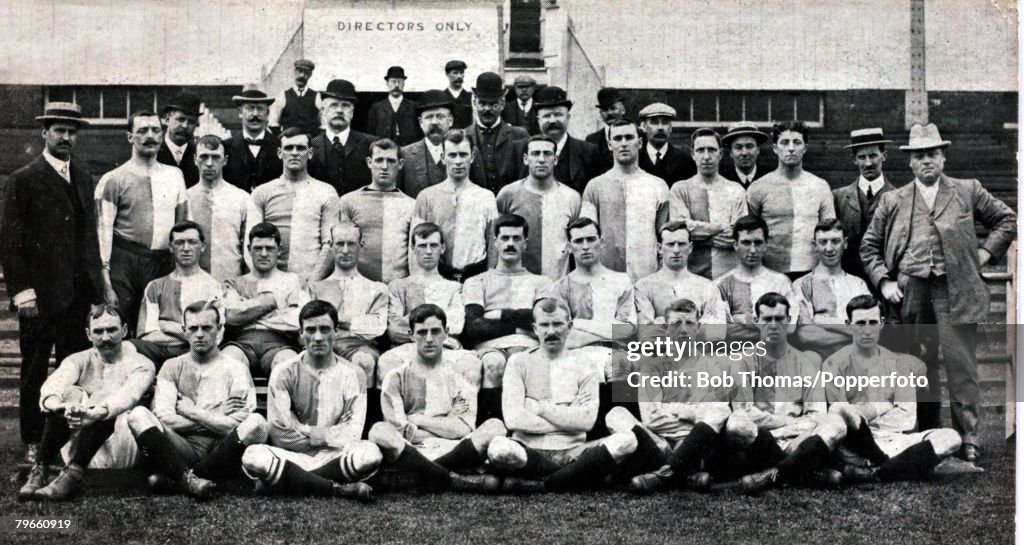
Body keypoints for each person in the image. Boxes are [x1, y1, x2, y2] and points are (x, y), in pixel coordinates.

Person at [860, 123, 1016, 462]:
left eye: (932, 154)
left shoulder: (967, 190)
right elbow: (869, 246)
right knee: (917, 365)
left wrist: (985, 254)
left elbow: (1006, 220)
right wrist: (885, 283)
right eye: (919, 156)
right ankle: (924, 434)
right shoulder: (893, 200)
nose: (926, 161)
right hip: (910, 291)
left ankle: (969, 438)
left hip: (954, 290)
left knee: (962, 365)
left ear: (943, 158)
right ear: (910, 163)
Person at [0, 102, 105, 463]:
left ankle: (65, 439)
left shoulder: (83, 175)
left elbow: (87, 237)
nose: (66, 137)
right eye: (59, 130)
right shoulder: (24, 178)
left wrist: (96, 292)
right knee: (34, 371)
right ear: (44, 133)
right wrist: (22, 293)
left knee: (74, 368)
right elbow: (10, 242)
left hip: (76, 296)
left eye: (72, 131)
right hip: (40, 298)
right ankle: (32, 440)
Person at [485, 298, 641, 493]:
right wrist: (568, 414)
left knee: (628, 440)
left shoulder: (584, 363)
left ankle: (543, 484)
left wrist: (539, 408)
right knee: (499, 448)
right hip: (528, 450)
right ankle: (575, 477)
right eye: (544, 325)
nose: (551, 331)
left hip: (575, 452)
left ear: (569, 327)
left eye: (557, 324)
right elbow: (513, 419)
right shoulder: (519, 362)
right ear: (535, 328)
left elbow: (586, 422)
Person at [239, 300, 382, 501]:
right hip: (294, 456)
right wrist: (326, 437)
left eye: (324, 329)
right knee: (253, 456)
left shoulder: (354, 373)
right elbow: (280, 434)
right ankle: (337, 488)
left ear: (336, 332)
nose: (318, 337)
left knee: (370, 453)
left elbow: (352, 432)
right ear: (300, 333)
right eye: (311, 330)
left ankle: (288, 482)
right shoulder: (283, 372)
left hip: (335, 454)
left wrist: (304, 430)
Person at [126, 300, 268, 499]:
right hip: (181, 448)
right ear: (184, 331)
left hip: (222, 450)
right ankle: (189, 480)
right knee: (138, 415)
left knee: (258, 424)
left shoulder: (236, 368)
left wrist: (192, 411)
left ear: (219, 330)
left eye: (207, 328)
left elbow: (235, 426)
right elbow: (166, 420)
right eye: (193, 328)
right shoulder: (171, 367)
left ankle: (179, 477)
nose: (199, 334)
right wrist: (217, 414)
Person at [17, 305, 155, 501]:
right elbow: (52, 386)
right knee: (71, 394)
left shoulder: (141, 363)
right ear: (88, 334)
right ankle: (41, 468)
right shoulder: (78, 359)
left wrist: (96, 412)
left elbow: (129, 396)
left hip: (123, 445)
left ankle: (72, 473)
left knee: (106, 402)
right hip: (82, 443)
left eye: (112, 330)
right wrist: (61, 406)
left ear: (124, 330)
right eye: (98, 331)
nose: (106, 337)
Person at [367, 304, 505, 493]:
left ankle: (415, 476)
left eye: (435, 331)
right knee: (378, 431)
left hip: (454, 449)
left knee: (495, 426)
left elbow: (464, 428)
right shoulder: (396, 376)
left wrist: (418, 419)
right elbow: (400, 431)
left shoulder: (460, 374)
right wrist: (445, 423)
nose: (429, 339)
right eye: (422, 332)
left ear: (446, 333)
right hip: (411, 449)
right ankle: (452, 479)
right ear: (411, 335)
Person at [824, 295, 963, 481]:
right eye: (860, 323)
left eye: (872, 322)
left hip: (895, 441)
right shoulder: (833, 364)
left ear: (882, 323)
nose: (867, 330)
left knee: (951, 438)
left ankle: (879, 471)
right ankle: (900, 466)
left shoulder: (899, 365)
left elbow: (906, 419)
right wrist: (885, 406)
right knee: (839, 410)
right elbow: (841, 420)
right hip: (854, 447)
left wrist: (866, 413)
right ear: (848, 325)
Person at [729, 293, 847, 494]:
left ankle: (774, 474)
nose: (773, 325)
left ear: (789, 322)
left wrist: (795, 429)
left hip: (798, 440)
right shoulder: (742, 360)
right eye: (767, 319)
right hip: (762, 439)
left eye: (779, 319)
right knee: (736, 424)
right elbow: (745, 412)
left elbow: (817, 414)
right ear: (757, 322)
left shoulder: (805, 362)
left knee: (837, 423)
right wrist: (787, 424)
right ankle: (805, 472)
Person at [622, 299, 733, 495]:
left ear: (698, 328)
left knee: (721, 411)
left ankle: (664, 473)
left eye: (689, 323)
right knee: (616, 414)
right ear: (665, 328)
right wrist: (696, 420)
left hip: (699, 444)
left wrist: (681, 411)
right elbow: (651, 419)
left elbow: (719, 411)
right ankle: (686, 474)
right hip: (659, 442)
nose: (683, 330)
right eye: (676, 324)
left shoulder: (712, 365)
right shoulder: (651, 366)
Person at [95, 110, 191, 334]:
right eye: (142, 131)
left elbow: (184, 227)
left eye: (156, 130)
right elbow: (102, 235)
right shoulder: (112, 179)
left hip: (162, 263)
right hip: (124, 264)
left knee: (159, 330)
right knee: (120, 328)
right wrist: (106, 283)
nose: (150, 136)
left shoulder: (174, 176)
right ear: (130, 137)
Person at [545, 217, 637, 438]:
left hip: (613, 350)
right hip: (575, 354)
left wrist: (577, 324)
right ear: (569, 246)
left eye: (590, 239)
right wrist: (606, 329)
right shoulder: (560, 287)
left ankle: (625, 438)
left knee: (620, 363)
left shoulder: (620, 280)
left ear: (601, 242)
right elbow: (564, 336)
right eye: (578, 241)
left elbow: (628, 331)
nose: (585, 246)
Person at [462, 215, 553, 423]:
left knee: (523, 360)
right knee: (494, 363)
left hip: (529, 347)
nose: (510, 244)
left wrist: (501, 315)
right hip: (490, 347)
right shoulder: (478, 281)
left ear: (525, 243)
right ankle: (493, 428)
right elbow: (475, 327)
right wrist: (520, 327)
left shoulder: (541, 282)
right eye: (504, 238)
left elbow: (543, 320)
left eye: (516, 238)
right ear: (495, 242)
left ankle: (526, 431)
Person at [308, 222, 389, 432]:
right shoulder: (316, 287)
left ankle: (362, 430)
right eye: (340, 244)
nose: (345, 250)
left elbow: (377, 327)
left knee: (364, 361)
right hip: (322, 344)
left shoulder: (376, 288)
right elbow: (309, 323)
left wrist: (337, 319)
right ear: (332, 246)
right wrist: (356, 320)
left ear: (361, 245)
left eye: (351, 244)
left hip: (359, 347)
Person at [377, 223, 474, 387]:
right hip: (408, 349)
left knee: (470, 365)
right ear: (413, 248)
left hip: (446, 350)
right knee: (387, 363)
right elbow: (394, 330)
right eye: (422, 245)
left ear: (442, 248)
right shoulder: (398, 286)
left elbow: (457, 325)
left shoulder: (454, 287)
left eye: (434, 245)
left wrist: (412, 320)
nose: (428, 251)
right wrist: (438, 328)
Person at [581, 119, 670, 282]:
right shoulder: (594, 187)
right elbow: (586, 237)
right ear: (609, 145)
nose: (623, 143)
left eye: (629, 137)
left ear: (640, 142)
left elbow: (666, 237)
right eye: (617, 139)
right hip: (605, 279)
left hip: (647, 277)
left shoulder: (657, 186)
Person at [746, 121, 836, 278]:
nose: (791, 148)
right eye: (784, 142)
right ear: (775, 148)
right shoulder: (758, 187)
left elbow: (830, 232)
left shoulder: (820, 186)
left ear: (805, 148)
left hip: (812, 272)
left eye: (797, 142)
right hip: (769, 273)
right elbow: (748, 233)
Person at [248, 127, 337, 283]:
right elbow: (251, 242)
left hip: (309, 279)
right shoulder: (262, 192)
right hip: (269, 281)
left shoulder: (326, 192)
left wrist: (312, 283)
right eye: (289, 148)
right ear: (279, 153)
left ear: (310, 153)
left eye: (300, 148)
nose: (295, 153)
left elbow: (329, 244)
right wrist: (261, 279)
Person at [130, 222, 224, 369]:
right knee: (129, 348)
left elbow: (216, 336)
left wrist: (168, 326)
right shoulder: (155, 286)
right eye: (180, 243)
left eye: (192, 242)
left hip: (196, 353)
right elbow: (146, 335)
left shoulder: (212, 287)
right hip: (159, 351)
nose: (186, 248)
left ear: (203, 246)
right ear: (171, 247)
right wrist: (190, 334)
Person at [222, 223, 307, 378]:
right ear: (248, 249)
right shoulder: (235, 283)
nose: (263, 253)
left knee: (287, 365)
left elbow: (297, 320)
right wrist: (269, 305)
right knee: (228, 363)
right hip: (241, 344)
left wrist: (248, 311)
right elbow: (231, 316)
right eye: (258, 248)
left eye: (270, 248)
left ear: (279, 250)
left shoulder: (291, 280)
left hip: (280, 345)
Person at [412, 129, 499, 282]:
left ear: (472, 157)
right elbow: (415, 247)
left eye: (463, 154)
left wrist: (490, 282)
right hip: (438, 278)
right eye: (452, 155)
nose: (458, 161)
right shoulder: (426, 197)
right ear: (443, 157)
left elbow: (493, 246)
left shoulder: (486, 197)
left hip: (476, 278)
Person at [496, 134, 581, 279]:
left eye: (547, 154)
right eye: (535, 154)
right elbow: (497, 241)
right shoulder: (508, 194)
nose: (541, 159)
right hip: (516, 284)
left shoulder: (571, 198)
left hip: (556, 285)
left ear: (555, 160)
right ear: (525, 159)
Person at [669, 127, 748, 279]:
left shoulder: (735, 189)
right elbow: (682, 231)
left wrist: (700, 235)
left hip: (729, 273)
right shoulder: (680, 189)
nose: (706, 156)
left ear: (721, 154)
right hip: (692, 274)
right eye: (700, 150)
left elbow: (739, 235)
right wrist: (721, 227)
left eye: (712, 150)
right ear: (693, 154)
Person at [337, 138, 416, 283]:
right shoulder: (349, 201)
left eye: (391, 161)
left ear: (400, 164)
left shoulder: (412, 205)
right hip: (357, 286)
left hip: (397, 287)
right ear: (369, 162)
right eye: (379, 160)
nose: (384, 167)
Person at [792, 219, 871, 359]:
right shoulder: (802, 284)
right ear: (815, 245)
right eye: (823, 242)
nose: (829, 248)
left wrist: (821, 320)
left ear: (845, 243)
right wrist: (854, 332)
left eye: (835, 241)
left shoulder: (858, 285)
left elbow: (870, 329)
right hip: (819, 359)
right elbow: (806, 335)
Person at [633, 222, 728, 337]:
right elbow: (646, 335)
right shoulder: (644, 286)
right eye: (670, 244)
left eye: (682, 244)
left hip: (699, 353)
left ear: (690, 248)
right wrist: (696, 325)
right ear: (659, 248)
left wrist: (663, 323)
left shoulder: (707, 286)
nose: (676, 250)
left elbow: (717, 332)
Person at [714, 216, 797, 341]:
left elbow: (789, 328)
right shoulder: (721, 284)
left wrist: (742, 319)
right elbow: (719, 331)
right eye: (746, 243)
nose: (752, 250)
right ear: (735, 245)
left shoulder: (781, 282)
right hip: (734, 355)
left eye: (758, 243)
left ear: (765, 245)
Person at [832, 128, 896, 289]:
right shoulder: (838, 197)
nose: (868, 163)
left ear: (884, 156)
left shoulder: (897, 197)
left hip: (885, 282)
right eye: (862, 157)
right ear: (854, 159)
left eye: (873, 155)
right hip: (848, 283)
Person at [186, 134, 250, 281]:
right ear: (195, 159)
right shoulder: (185, 198)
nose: (209, 163)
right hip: (193, 283)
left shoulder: (242, 199)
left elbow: (248, 248)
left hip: (231, 281)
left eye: (216, 157)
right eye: (204, 157)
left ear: (225, 160)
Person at [465, 72, 530, 193]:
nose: (487, 109)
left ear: (502, 104)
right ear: (474, 103)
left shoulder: (520, 136)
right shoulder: (463, 136)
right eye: (482, 103)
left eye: (493, 104)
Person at [308, 79, 374, 196]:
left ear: (352, 112)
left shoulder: (370, 144)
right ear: (323, 110)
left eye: (345, 106)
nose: (339, 110)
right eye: (334, 105)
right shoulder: (310, 146)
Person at [530, 86, 598, 193]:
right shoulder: (522, 149)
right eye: (547, 116)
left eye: (558, 115)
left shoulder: (588, 151)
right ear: (538, 120)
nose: (552, 120)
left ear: (568, 117)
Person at [222, 84, 283, 192]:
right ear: (240, 112)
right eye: (250, 108)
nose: (255, 114)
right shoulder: (226, 147)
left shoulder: (280, 146)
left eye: (260, 108)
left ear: (267, 113)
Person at [398, 89, 454, 198]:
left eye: (440, 116)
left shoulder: (464, 152)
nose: (434, 122)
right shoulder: (405, 154)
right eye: (429, 117)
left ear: (450, 120)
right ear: (420, 122)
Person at [637, 103, 696, 184]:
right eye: (654, 122)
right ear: (644, 126)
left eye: (665, 122)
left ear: (670, 128)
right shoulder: (636, 158)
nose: (660, 128)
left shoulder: (685, 160)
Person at [366, 66, 421, 146]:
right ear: (387, 83)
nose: (396, 85)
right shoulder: (376, 108)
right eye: (393, 81)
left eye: (400, 82)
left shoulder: (414, 107)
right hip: (384, 151)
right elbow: (370, 134)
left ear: (404, 84)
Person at [157, 91, 201, 187]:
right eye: (181, 119)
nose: (185, 126)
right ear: (167, 119)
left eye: (191, 122)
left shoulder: (200, 156)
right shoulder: (153, 152)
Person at [269, 59, 322, 137]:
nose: (302, 76)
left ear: (310, 75)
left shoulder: (317, 96)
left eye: (306, 73)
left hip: (310, 144)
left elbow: (322, 124)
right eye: (299, 71)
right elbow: (273, 123)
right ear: (294, 72)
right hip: (288, 143)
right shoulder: (283, 95)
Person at [585, 88, 626, 175]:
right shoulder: (591, 140)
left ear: (623, 110)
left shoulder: (637, 134)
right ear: (600, 113)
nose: (609, 113)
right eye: (605, 110)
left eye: (613, 108)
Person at [720, 122, 771, 189]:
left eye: (749, 146)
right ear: (731, 152)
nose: (744, 153)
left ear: (758, 150)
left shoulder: (770, 178)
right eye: (738, 147)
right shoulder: (722, 179)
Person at [443, 60, 473, 129]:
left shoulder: (470, 96)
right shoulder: (442, 96)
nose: (459, 76)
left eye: (461, 73)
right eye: (455, 73)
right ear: (447, 74)